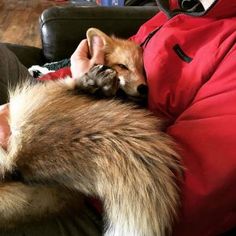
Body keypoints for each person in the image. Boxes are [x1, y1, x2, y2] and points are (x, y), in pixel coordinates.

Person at [0, 0, 236, 235]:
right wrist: (65, 83)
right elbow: (110, 63)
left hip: (99, 196)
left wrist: (23, 130)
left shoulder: (228, 41)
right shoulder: (179, 10)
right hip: (66, 112)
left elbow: (188, 195)